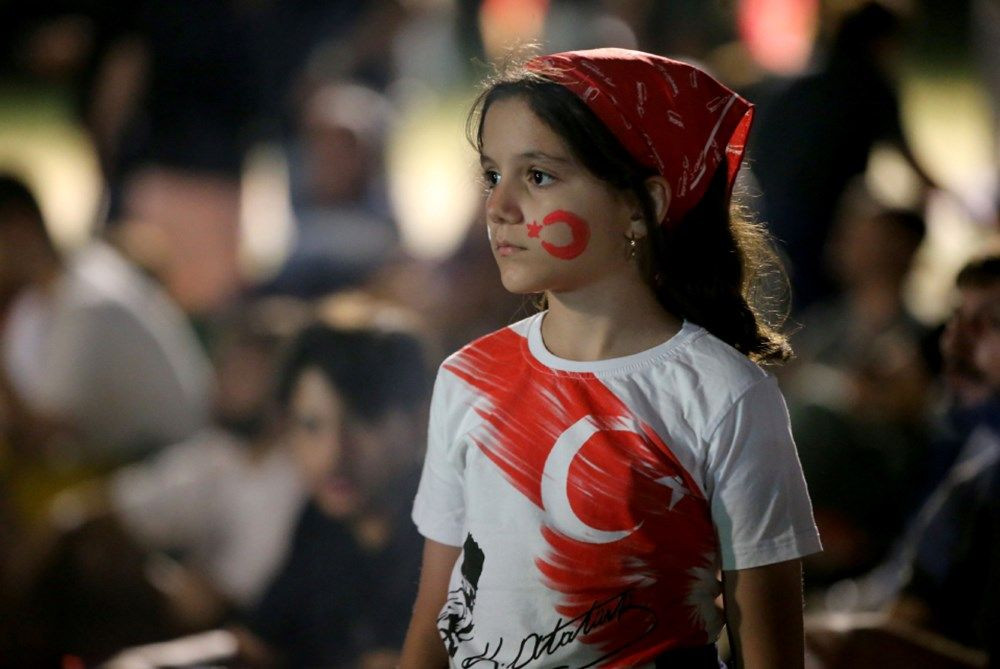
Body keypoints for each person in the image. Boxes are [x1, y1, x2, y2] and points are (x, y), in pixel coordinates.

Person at [401, 48, 822, 668]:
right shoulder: (468, 379)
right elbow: (437, 617)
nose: (498, 207)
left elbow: (770, 651)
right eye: (493, 175)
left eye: (538, 176)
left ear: (642, 205)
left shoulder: (724, 395)